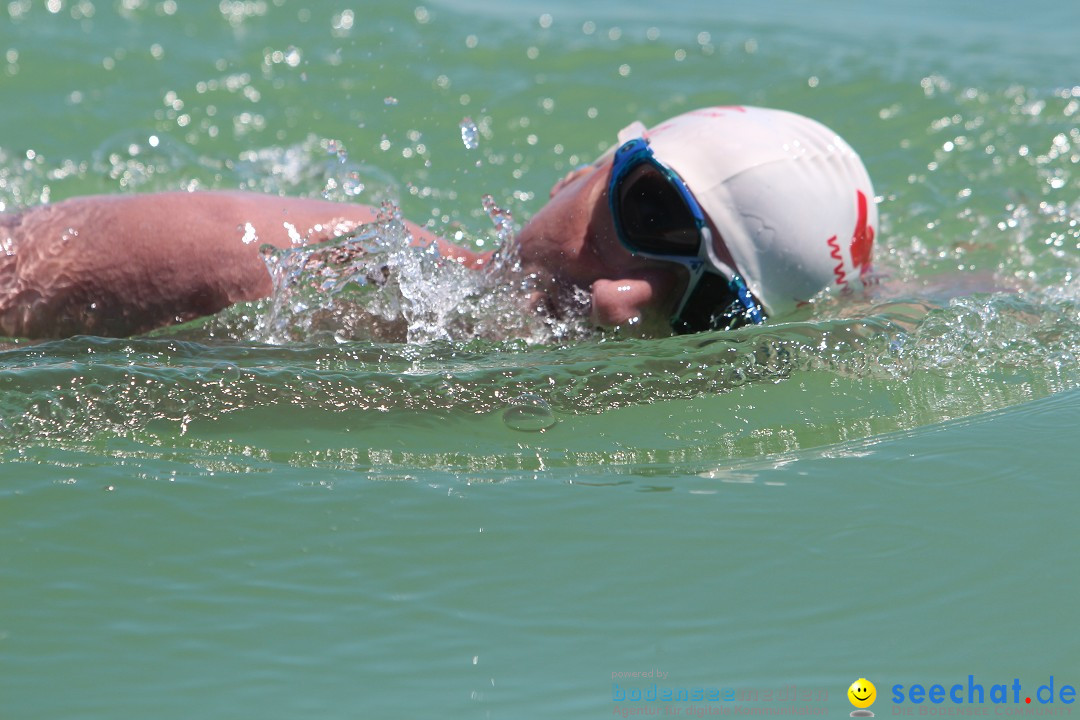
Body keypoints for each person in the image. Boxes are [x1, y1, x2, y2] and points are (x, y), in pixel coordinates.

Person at [0, 105, 876, 340]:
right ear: (586, 171)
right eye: (649, 210)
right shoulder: (262, 267)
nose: (617, 295)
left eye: (709, 309)